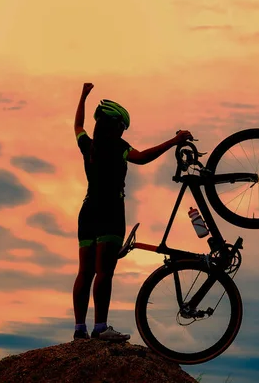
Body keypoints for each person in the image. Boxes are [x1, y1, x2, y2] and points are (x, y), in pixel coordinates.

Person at [72, 82, 193, 342]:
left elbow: (78, 125)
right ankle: (100, 327)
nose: (123, 130)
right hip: (111, 210)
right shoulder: (117, 146)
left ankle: (79, 329)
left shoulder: (88, 145)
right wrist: (175, 141)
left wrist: (82, 96)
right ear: (115, 126)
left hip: (88, 209)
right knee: (105, 272)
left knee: (85, 272)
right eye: (122, 126)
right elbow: (142, 157)